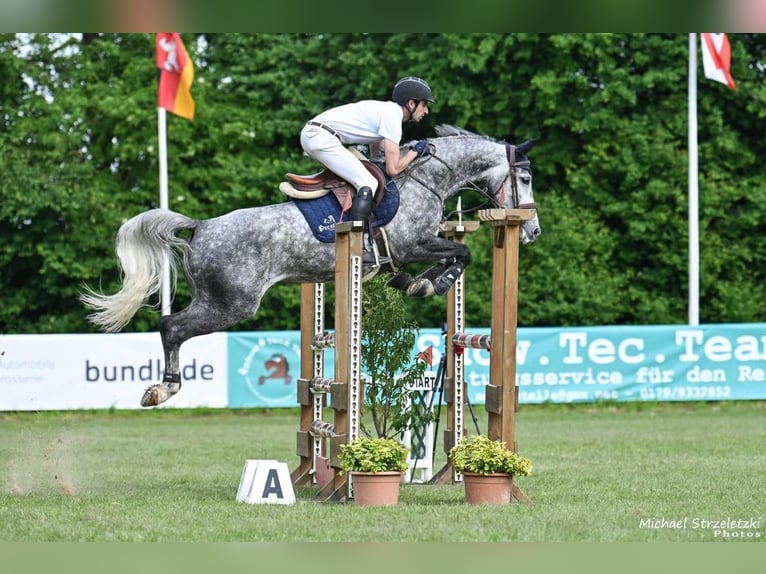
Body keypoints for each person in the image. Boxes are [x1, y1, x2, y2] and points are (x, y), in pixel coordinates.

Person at [300, 76, 435, 241]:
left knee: (359, 178)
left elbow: (375, 151)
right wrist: (415, 152)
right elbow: (392, 170)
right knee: (369, 183)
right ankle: (356, 243)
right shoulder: (393, 117)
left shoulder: (386, 111)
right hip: (321, 137)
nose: (426, 111)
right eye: (424, 104)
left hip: (316, 135)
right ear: (411, 103)